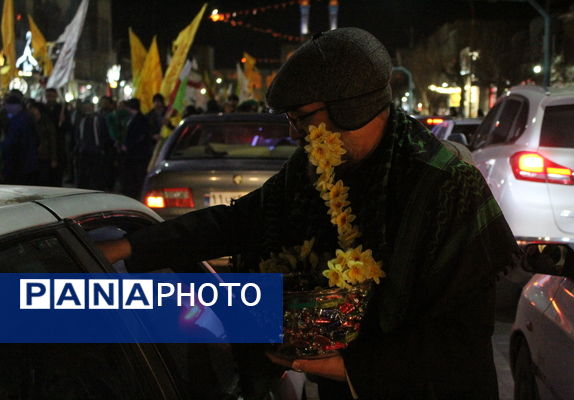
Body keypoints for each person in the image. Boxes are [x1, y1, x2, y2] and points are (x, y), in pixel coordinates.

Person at [98, 28, 520, 399]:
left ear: (350, 105)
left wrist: (356, 367)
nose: (294, 133)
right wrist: (130, 245)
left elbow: (461, 339)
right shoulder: (318, 166)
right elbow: (239, 221)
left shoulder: (447, 186)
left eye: (303, 118)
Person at [73, 99, 112, 190]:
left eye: (89, 106)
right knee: (83, 174)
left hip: (96, 150)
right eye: (85, 106)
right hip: (83, 150)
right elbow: (77, 134)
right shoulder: (80, 120)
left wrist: (103, 147)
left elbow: (104, 134)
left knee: (96, 174)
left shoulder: (99, 119)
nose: (87, 108)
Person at [0, 95, 38, 185]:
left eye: (7, 105)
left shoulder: (18, 121)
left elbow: (10, 143)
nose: (5, 107)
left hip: (18, 164)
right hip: (28, 163)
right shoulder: (26, 118)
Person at [119, 98, 152, 199]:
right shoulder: (131, 118)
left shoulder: (140, 119)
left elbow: (141, 136)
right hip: (132, 153)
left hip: (138, 154)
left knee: (137, 176)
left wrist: (129, 145)